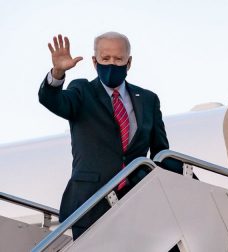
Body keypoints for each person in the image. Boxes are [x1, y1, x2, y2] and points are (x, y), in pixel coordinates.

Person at [38, 32, 182, 240]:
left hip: (137, 201)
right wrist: (57, 73)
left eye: (118, 59)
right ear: (95, 62)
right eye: (105, 59)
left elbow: (161, 151)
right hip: (90, 204)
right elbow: (52, 100)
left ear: (129, 62)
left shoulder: (148, 99)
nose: (112, 64)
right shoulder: (82, 91)